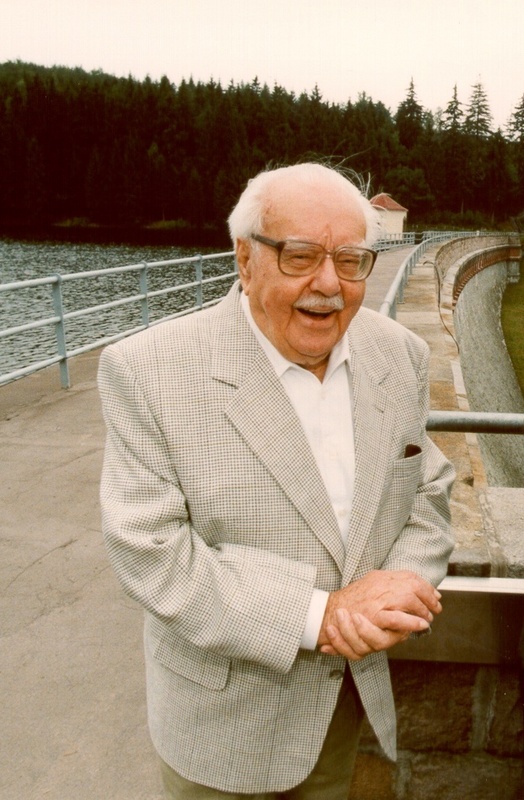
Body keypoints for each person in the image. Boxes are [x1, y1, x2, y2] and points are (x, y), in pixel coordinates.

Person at [98, 162, 455, 799]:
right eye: (299, 256)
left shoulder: (400, 355)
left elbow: (427, 488)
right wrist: (321, 616)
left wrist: (404, 582)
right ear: (244, 258)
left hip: (345, 715)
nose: (329, 285)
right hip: (220, 735)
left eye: (351, 260)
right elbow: (152, 555)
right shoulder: (148, 371)